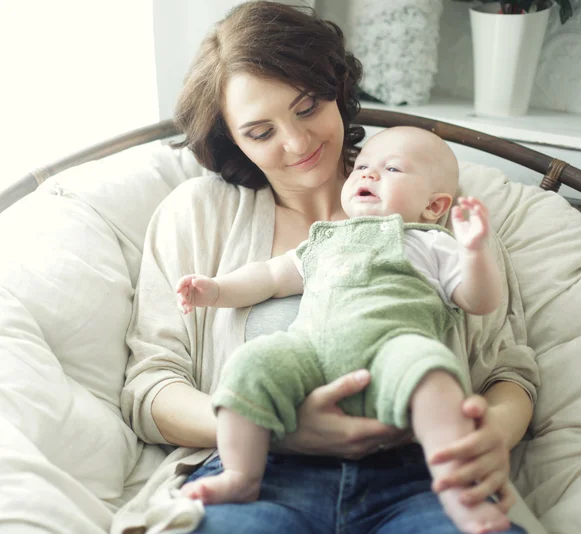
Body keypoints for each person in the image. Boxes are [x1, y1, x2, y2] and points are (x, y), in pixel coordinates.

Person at [121, 2, 538, 533]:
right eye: (260, 132)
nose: (297, 143)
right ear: (232, 139)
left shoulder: (442, 209)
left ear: (336, 90)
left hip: (423, 477)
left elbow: (509, 369)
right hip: (262, 476)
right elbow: (151, 386)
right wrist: (275, 429)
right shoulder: (197, 215)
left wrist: (490, 438)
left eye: (307, 105)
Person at [175, 125, 508, 533]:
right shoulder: (323, 239)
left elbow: (480, 301)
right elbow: (269, 276)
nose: (368, 174)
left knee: (435, 374)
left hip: (395, 349)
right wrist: (217, 290)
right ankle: (242, 475)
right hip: (308, 349)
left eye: (393, 169)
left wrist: (474, 252)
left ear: (434, 205)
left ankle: (457, 487)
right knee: (250, 363)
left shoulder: (431, 243)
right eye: (363, 165)